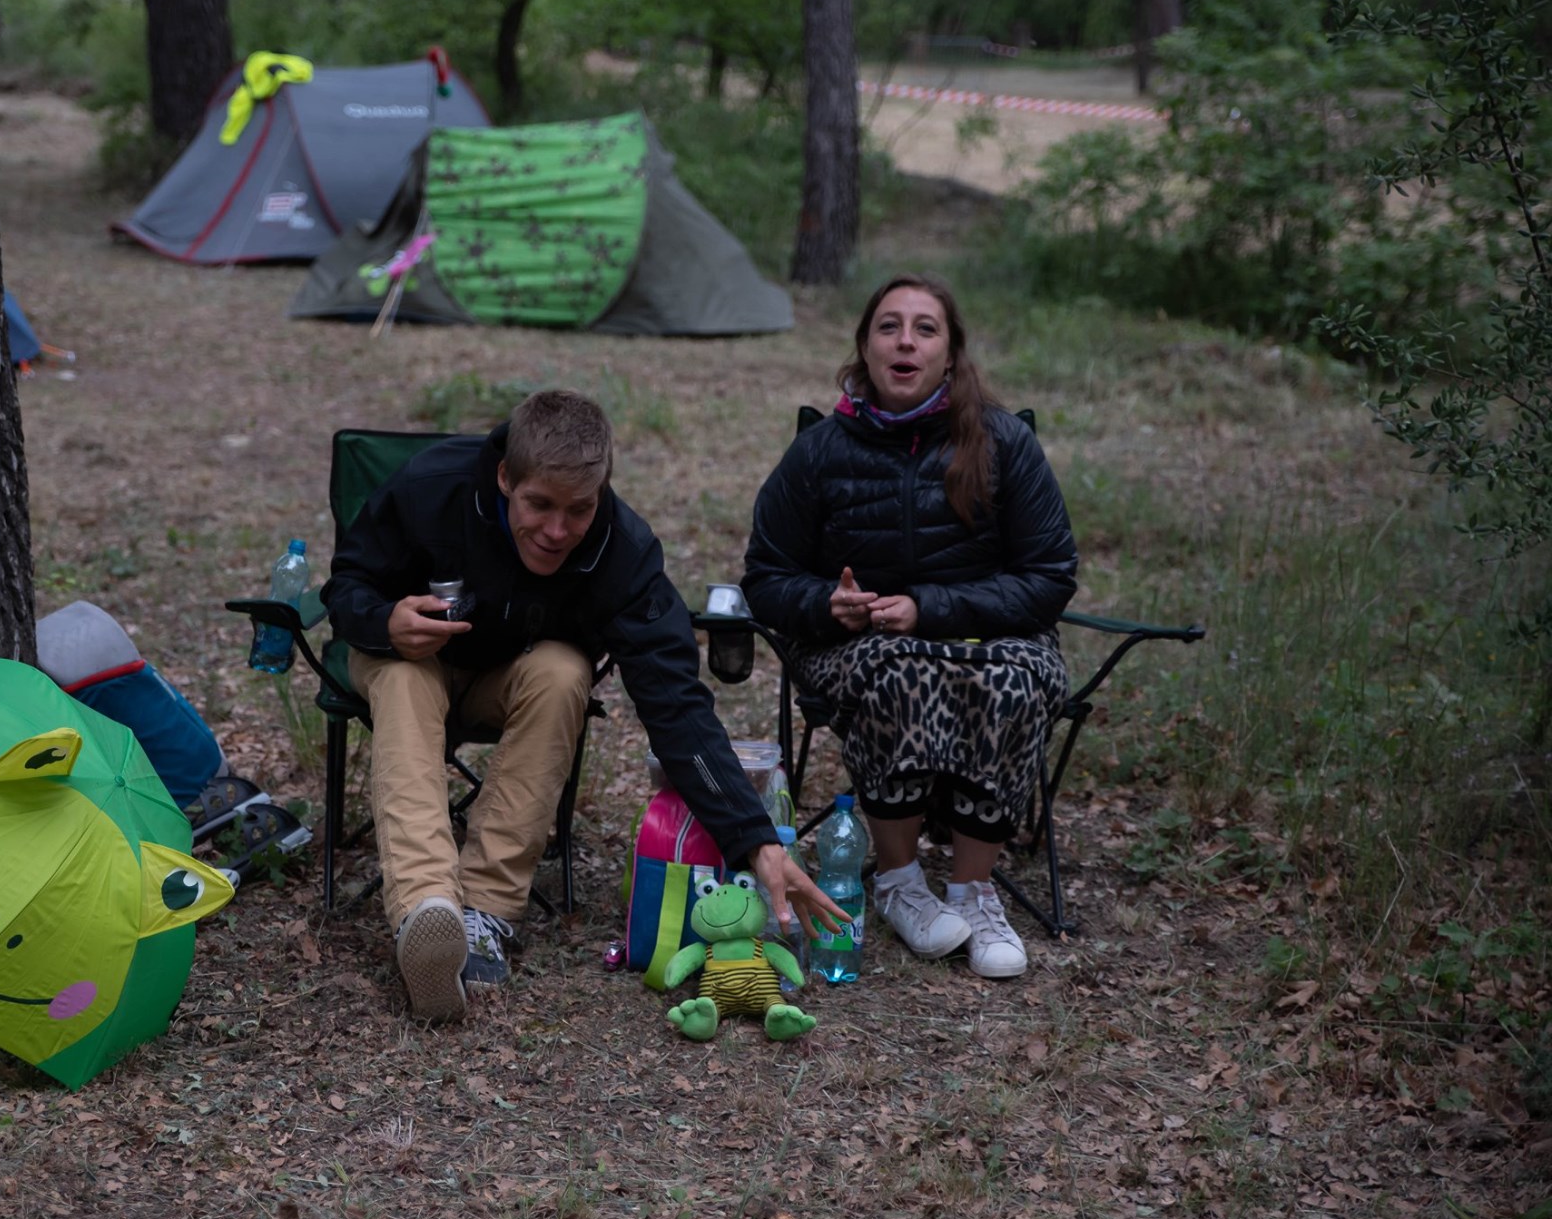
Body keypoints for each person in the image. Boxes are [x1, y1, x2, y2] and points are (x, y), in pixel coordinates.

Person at [325, 388, 846, 1021]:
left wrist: (756, 840)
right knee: (408, 680)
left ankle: (483, 910)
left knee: (564, 669)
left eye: (578, 510)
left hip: (505, 681)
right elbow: (345, 584)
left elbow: (677, 705)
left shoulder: (620, 552)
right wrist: (384, 619)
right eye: (539, 505)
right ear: (504, 477)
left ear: (602, 492)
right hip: (406, 657)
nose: (556, 531)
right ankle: (425, 911)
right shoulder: (433, 486)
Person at [741, 274, 1078, 979]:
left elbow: (1049, 576)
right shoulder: (820, 452)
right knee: (898, 667)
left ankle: (973, 891)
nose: (905, 340)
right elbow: (766, 577)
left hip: (991, 635)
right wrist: (823, 605)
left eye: (925, 328)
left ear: (950, 355)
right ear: (865, 349)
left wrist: (929, 607)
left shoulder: (1004, 443)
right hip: (854, 646)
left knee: (1010, 677)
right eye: (888, 326)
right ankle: (898, 883)